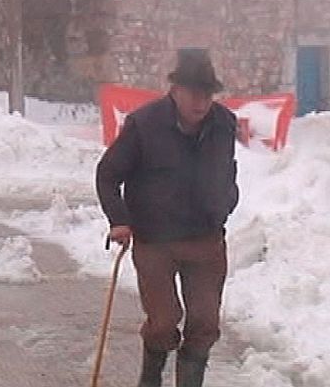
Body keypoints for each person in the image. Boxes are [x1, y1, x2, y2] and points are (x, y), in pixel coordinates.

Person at [95, 48, 239, 387]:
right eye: (194, 94)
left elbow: (228, 171)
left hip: (206, 240)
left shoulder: (223, 124)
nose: (201, 103)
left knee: (204, 323)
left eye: (207, 94)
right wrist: (118, 219)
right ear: (175, 90)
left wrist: (226, 201)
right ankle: (150, 380)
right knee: (163, 322)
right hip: (155, 240)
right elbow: (108, 173)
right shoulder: (144, 124)